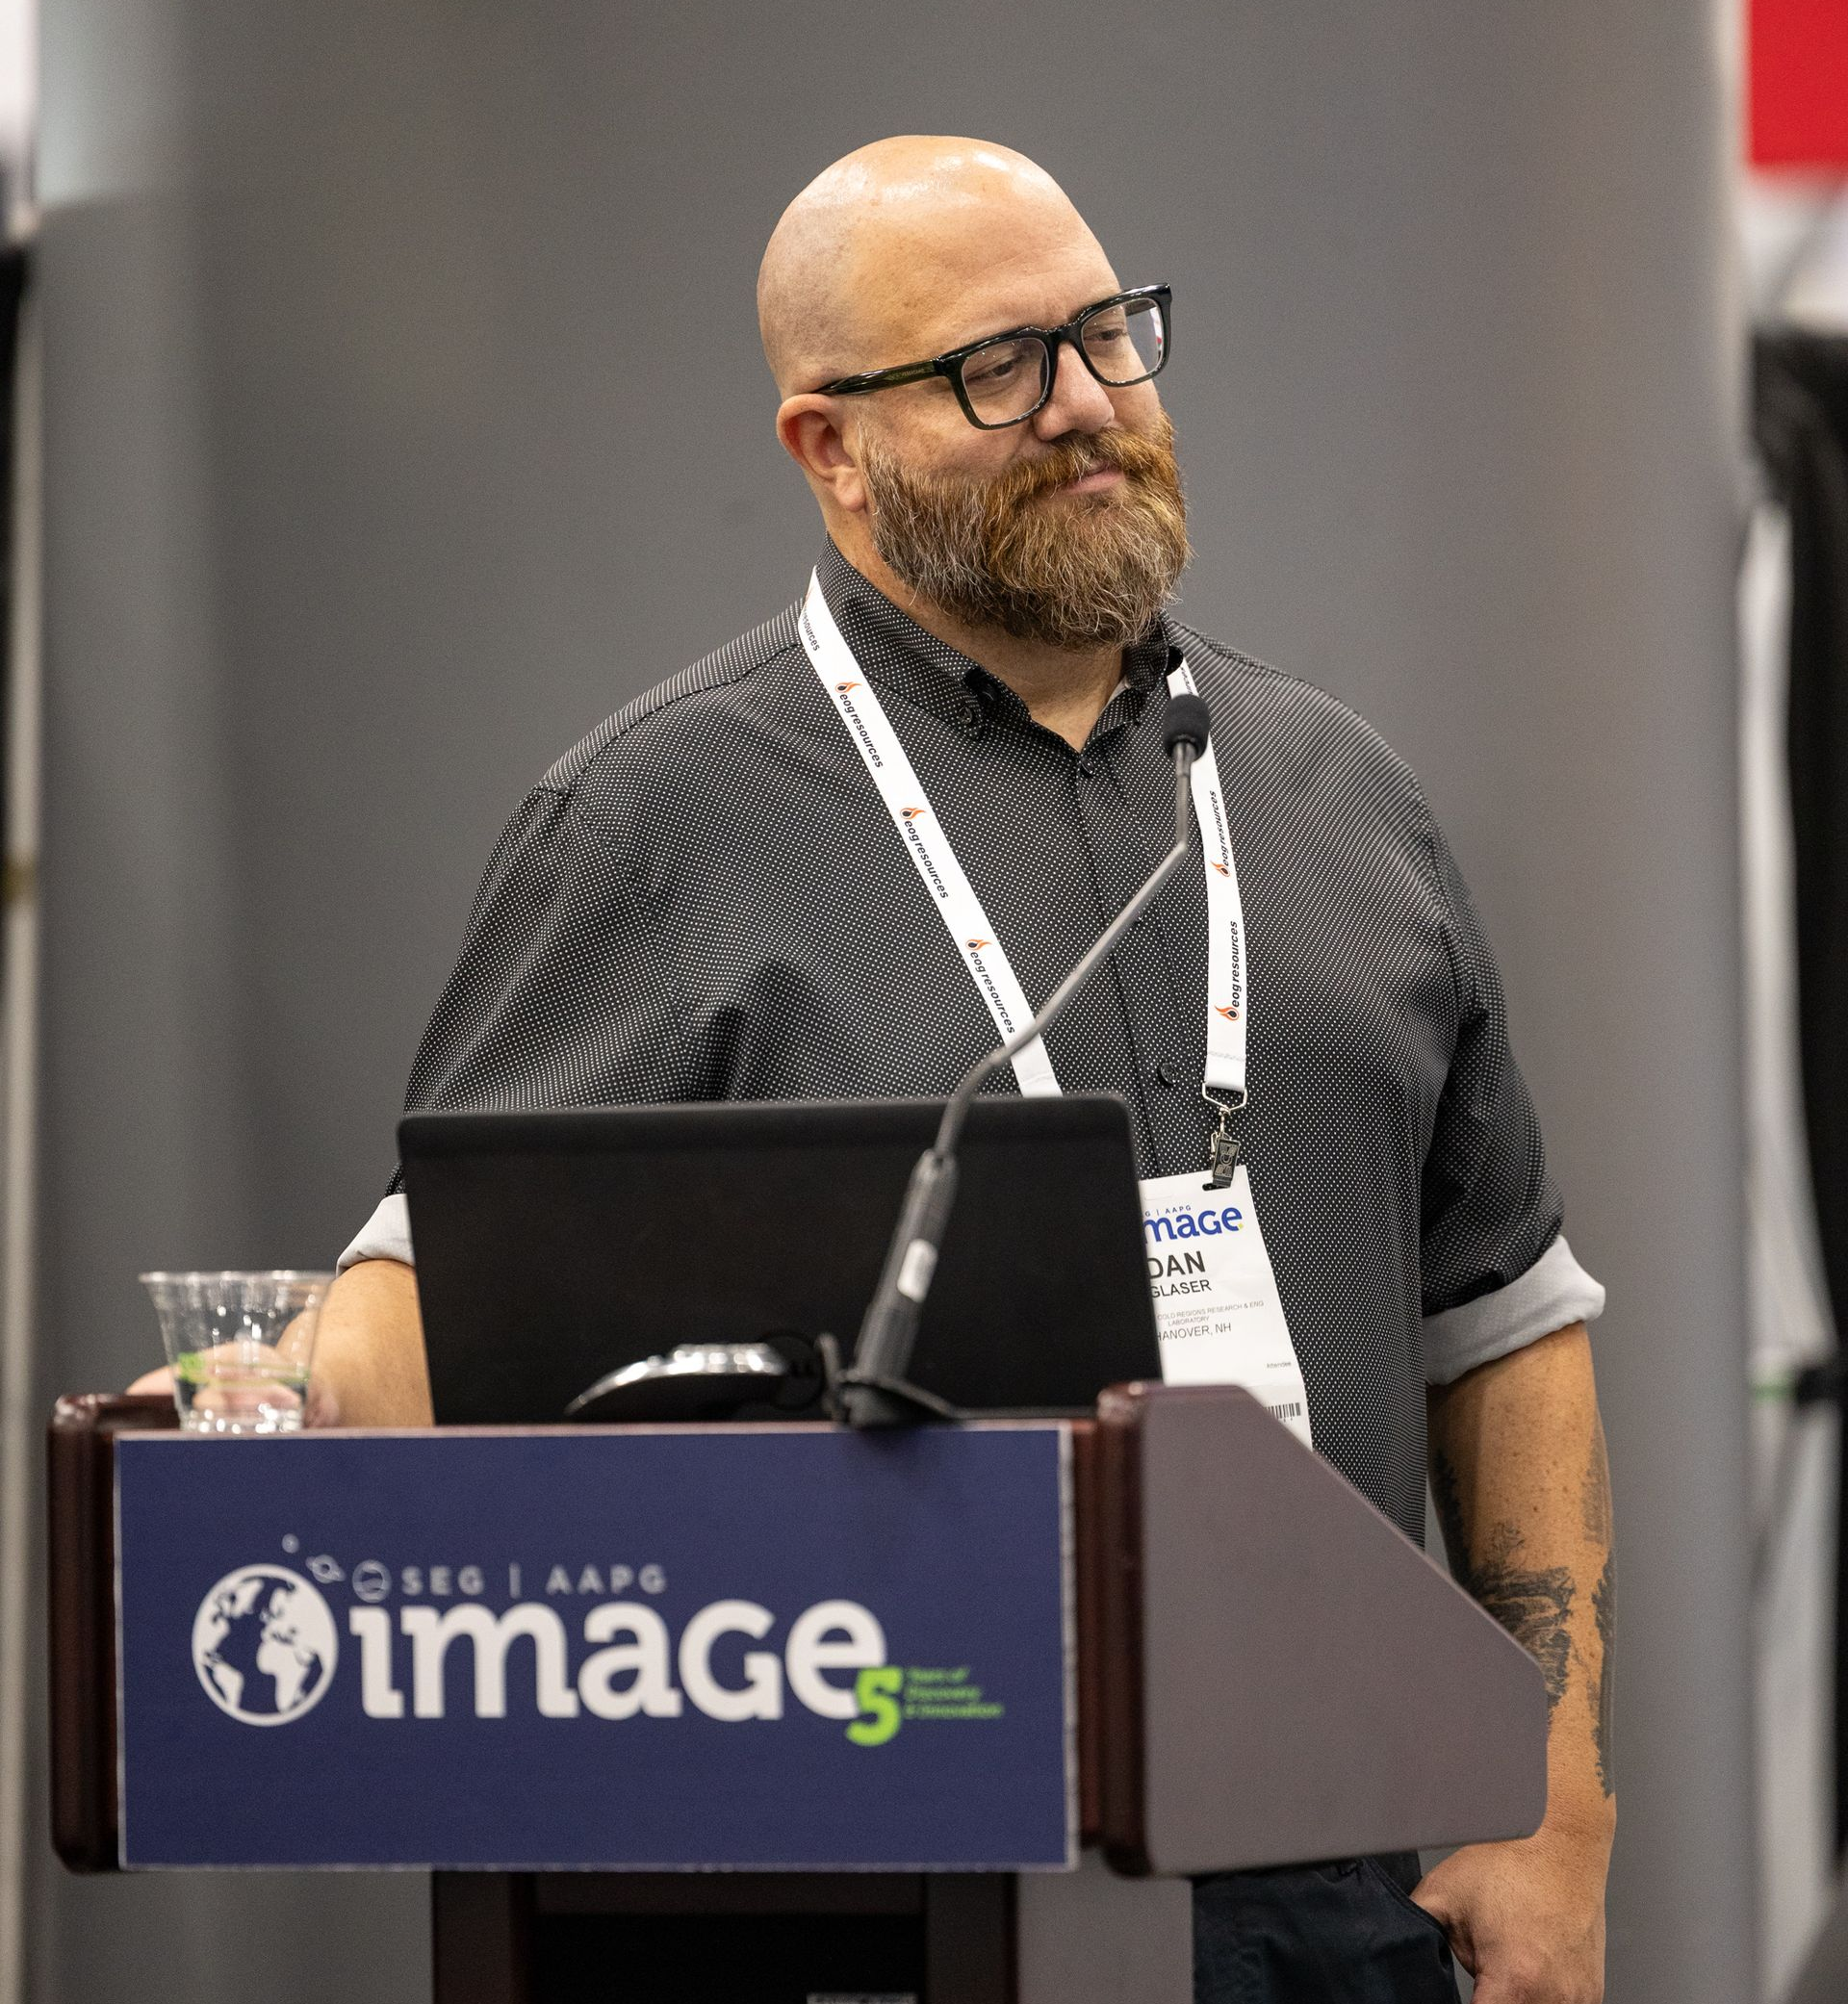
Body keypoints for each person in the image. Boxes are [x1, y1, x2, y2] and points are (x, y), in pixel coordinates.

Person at [138, 136, 1615, 2001]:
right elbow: (446, 1295)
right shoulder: (660, 820)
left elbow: (1501, 1318)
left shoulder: (1340, 795)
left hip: (1349, 1864)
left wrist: (1552, 1797)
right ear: (829, 447)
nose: (1085, 402)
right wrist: (284, 1393)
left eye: (1109, 333)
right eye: (998, 365)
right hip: (893, 1865)